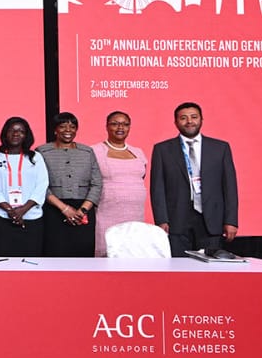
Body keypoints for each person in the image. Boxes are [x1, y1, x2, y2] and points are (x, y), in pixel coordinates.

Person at [150, 101, 239, 257]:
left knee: (210, 267)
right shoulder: (162, 149)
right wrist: (161, 220)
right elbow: (157, 188)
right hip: (176, 220)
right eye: (183, 118)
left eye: (194, 117)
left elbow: (230, 187)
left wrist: (231, 220)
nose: (189, 121)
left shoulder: (220, 148)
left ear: (201, 119)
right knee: (178, 266)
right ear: (176, 122)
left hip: (212, 220)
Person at [38, 112, 103, 258]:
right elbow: (40, 185)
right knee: (54, 255)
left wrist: (83, 211)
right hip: (54, 209)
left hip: (83, 211)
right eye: (62, 126)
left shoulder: (87, 152)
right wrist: (64, 208)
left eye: (72, 127)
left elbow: (97, 183)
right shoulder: (42, 152)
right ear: (55, 130)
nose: (68, 130)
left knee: (83, 257)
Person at [0, 116, 49, 257]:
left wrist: (23, 210)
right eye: (12, 130)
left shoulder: (36, 157)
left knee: (30, 262)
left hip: (31, 217)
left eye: (21, 131)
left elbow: (42, 184)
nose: (16, 134)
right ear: (5, 133)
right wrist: (10, 210)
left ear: (26, 135)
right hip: (2, 217)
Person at [93, 110, 148, 257]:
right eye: (115, 124)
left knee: (133, 255)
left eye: (125, 124)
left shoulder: (138, 152)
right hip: (106, 214)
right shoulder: (95, 151)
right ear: (106, 126)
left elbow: (141, 178)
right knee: (107, 255)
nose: (120, 128)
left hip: (135, 216)